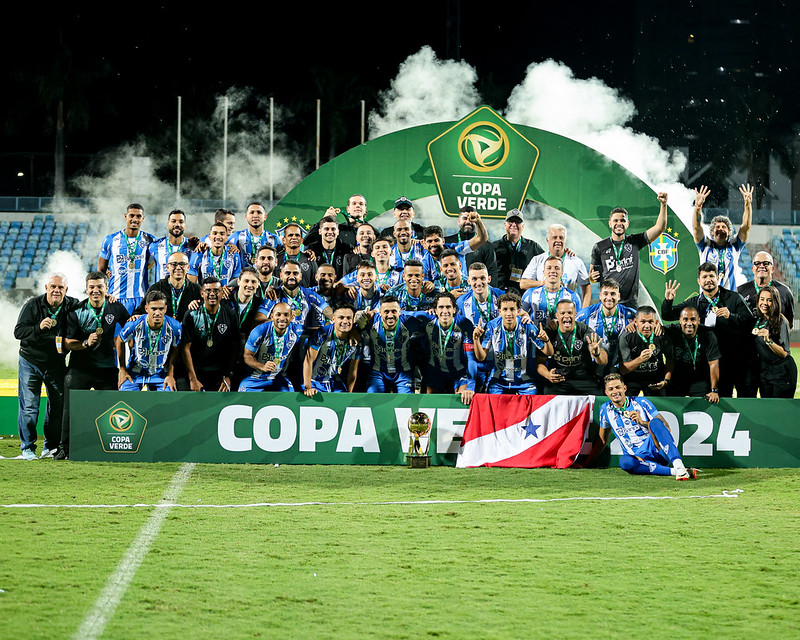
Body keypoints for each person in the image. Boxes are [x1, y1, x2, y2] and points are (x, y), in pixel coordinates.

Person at [57, 271, 129, 460]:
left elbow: (129, 326)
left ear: (107, 288)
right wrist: (85, 343)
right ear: (86, 288)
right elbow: (67, 343)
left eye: (100, 287)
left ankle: (110, 447)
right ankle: (65, 447)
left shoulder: (116, 307)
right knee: (70, 407)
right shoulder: (77, 311)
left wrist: (124, 362)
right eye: (92, 287)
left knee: (112, 409)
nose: (95, 290)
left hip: (107, 368)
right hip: (80, 367)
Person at [661, 262, 756, 397]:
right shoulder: (694, 302)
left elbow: (750, 322)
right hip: (709, 363)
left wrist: (731, 316)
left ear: (718, 278)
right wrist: (668, 301)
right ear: (699, 281)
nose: (708, 280)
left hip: (733, 360)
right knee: (717, 398)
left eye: (711, 276)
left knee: (740, 398)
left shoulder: (734, 298)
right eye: (704, 277)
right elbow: (668, 315)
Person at [13, 273, 79, 459]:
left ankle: (50, 447)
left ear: (66, 290)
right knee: (29, 407)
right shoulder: (32, 305)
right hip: (30, 362)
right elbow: (18, 332)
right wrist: (38, 327)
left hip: (56, 364)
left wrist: (106, 297)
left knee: (57, 406)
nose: (56, 290)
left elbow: (91, 306)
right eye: (53, 287)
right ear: (46, 288)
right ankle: (27, 448)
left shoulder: (72, 304)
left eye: (60, 287)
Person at [596, 374, 698, 480]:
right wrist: (592, 460)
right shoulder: (605, 410)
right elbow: (603, 439)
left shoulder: (641, 402)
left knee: (655, 422)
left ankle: (678, 465)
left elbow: (666, 427)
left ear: (624, 388)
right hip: (638, 458)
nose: (615, 391)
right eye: (611, 389)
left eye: (618, 387)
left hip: (657, 449)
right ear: (606, 392)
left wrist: (643, 422)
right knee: (624, 462)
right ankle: (677, 471)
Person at [589, 191, 668, 307]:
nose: (619, 223)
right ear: (610, 223)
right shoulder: (599, 247)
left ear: (627, 223)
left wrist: (664, 205)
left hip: (630, 305)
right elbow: (592, 276)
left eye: (623, 220)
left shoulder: (635, 241)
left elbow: (660, 228)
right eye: (615, 220)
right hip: (608, 304)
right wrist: (592, 278)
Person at [473, 293, 553, 395]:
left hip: (524, 381)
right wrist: (476, 340)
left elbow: (549, 353)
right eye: (505, 309)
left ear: (518, 311)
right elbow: (481, 357)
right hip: (498, 381)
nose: (509, 313)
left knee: (531, 402)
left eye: (512, 309)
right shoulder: (492, 326)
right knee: (492, 402)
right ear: (500, 311)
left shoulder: (527, 325)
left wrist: (546, 340)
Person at [416, 292, 477, 404]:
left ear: (454, 309)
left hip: (459, 373)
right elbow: (404, 313)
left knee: (464, 399)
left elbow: (471, 358)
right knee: (430, 404)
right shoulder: (427, 320)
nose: (445, 311)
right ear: (435, 310)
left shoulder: (464, 324)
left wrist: (470, 386)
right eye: (441, 307)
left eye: (448, 307)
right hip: (435, 372)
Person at [537, 299, 608, 395]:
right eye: (562, 313)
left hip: (584, 380)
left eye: (570, 313)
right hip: (559, 380)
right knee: (547, 394)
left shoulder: (584, 331)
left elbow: (604, 361)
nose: (566, 316)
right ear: (557, 316)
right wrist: (547, 374)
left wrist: (597, 354)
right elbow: (540, 363)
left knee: (598, 397)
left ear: (575, 314)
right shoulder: (549, 333)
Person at [181, 277, 240, 392]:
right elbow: (185, 348)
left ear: (222, 293)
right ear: (202, 294)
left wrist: (227, 375)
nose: (212, 294)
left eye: (216, 291)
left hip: (220, 373)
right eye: (208, 291)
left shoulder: (230, 314)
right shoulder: (191, 314)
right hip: (197, 371)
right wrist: (193, 378)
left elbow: (234, 347)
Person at [116, 290, 182, 391]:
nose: (157, 313)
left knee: (168, 396)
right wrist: (123, 369)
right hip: (135, 372)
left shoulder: (175, 327)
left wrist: (170, 374)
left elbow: (176, 347)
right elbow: (120, 340)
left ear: (165, 309)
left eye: (161, 309)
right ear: (146, 308)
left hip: (161, 374)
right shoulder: (134, 324)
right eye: (153, 309)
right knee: (125, 397)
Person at [98, 203, 157, 314]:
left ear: (143, 218)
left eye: (138, 216)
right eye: (131, 215)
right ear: (126, 216)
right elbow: (101, 270)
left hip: (141, 298)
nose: (135, 219)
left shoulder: (150, 240)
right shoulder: (110, 240)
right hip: (115, 297)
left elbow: (152, 261)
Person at [692, 184, 753, 290]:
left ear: (729, 232)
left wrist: (748, 205)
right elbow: (696, 227)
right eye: (717, 227)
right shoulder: (704, 245)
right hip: (707, 295)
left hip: (729, 296)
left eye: (724, 227)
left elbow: (746, 226)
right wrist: (697, 207)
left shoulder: (735, 245)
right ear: (712, 232)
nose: (721, 229)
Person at [520, 223, 591, 307]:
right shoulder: (537, 260)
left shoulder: (576, 261)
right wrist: (543, 283)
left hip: (567, 311)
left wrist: (584, 311)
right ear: (547, 240)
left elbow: (586, 287)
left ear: (565, 240)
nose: (558, 241)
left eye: (561, 238)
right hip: (542, 309)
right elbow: (523, 284)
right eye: (554, 237)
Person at [362, 296, 423, 393]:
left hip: (403, 372)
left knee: (407, 401)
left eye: (394, 311)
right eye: (386, 312)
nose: (390, 315)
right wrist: (354, 331)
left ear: (400, 312)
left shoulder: (410, 322)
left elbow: (427, 318)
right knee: (373, 399)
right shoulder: (371, 322)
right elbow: (354, 326)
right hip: (378, 372)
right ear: (380, 312)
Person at [239, 302, 304, 392]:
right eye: (278, 314)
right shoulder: (260, 331)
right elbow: (247, 356)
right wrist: (262, 366)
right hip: (255, 378)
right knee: (242, 395)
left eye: (286, 315)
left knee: (289, 397)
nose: (282, 318)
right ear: (272, 316)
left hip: (279, 378)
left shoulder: (297, 331)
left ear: (292, 317)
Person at [576, 278, 636, 374]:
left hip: (619, 369)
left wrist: (656, 326)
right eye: (605, 294)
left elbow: (648, 322)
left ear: (618, 296)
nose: (609, 297)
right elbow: (570, 328)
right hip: (592, 368)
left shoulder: (630, 315)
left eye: (613, 294)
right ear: (600, 296)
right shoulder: (586, 314)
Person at [662, 306, 721, 402]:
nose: (689, 323)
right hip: (678, 378)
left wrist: (714, 390)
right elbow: (654, 329)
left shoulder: (707, 334)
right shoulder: (672, 330)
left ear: (699, 321)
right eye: (685, 319)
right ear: (680, 320)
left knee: (705, 402)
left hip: (700, 379)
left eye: (693, 319)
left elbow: (713, 363)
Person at [302, 303, 362, 396]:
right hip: (314, 381)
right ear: (333, 319)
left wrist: (349, 394)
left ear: (353, 320)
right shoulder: (323, 333)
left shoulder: (356, 341)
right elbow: (308, 360)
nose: (345, 321)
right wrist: (308, 387)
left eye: (348, 318)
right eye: (341, 317)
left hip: (334, 383)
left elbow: (353, 371)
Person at [752, 285, 797, 398]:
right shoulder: (758, 319)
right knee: (767, 406)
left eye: (769, 300)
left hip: (782, 372)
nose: (765, 303)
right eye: (762, 299)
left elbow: (784, 353)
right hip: (765, 372)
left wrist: (769, 341)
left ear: (775, 302)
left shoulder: (781, 321)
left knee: (780, 407)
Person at [618, 306, 673, 397]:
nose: (647, 326)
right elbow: (623, 370)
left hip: (655, 380)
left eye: (650, 322)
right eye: (643, 322)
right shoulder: (627, 337)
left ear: (656, 323)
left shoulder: (662, 335)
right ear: (635, 322)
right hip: (632, 380)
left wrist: (666, 381)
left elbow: (670, 360)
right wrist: (640, 359)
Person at [134, 251, 202, 320]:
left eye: (182, 264)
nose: (178, 268)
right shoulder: (156, 288)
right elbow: (140, 311)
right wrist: (135, 316)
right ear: (167, 267)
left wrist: (199, 304)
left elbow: (205, 311)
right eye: (174, 264)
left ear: (188, 267)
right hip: (163, 326)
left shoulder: (196, 289)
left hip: (186, 327)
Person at [491, 209, 544, 294]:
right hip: (500, 294)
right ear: (505, 225)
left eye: (517, 222)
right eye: (510, 221)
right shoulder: (494, 247)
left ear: (523, 226)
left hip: (524, 294)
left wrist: (563, 253)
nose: (514, 224)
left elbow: (548, 260)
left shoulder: (532, 247)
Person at [444, 205, 499, 286]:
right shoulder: (448, 242)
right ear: (459, 221)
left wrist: (488, 292)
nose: (468, 222)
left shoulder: (486, 245)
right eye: (464, 218)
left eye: (472, 219)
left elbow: (492, 273)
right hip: (452, 289)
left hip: (477, 290)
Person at [737, 250, 794, 326]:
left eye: (766, 263)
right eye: (757, 263)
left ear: (772, 269)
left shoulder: (784, 291)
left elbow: (789, 323)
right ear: (752, 269)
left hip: (775, 333)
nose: (761, 266)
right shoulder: (741, 290)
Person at [522, 256, 583, 324]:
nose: (553, 271)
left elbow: (578, 322)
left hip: (562, 331)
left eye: (557, 268)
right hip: (536, 331)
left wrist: (561, 324)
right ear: (544, 272)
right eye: (549, 268)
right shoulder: (530, 293)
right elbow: (520, 314)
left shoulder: (573, 296)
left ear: (562, 273)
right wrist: (525, 316)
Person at [227, 201, 282, 267]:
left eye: (259, 212)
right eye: (252, 212)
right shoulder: (235, 237)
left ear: (265, 217)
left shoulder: (274, 239)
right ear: (246, 217)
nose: (255, 216)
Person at [188, 222, 242, 287]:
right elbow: (191, 283)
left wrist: (228, 289)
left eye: (222, 234)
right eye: (215, 233)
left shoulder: (233, 254)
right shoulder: (199, 253)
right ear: (209, 237)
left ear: (226, 238)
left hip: (226, 292)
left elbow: (236, 280)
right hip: (205, 292)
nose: (218, 237)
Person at [147, 209, 195, 281]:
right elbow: (144, 266)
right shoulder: (156, 246)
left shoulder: (192, 246)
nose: (177, 224)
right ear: (167, 225)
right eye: (173, 221)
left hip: (184, 288)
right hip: (162, 288)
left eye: (181, 222)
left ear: (185, 226)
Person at [277, 222, 317, 287]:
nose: (294, 237)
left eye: (297, 235)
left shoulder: (310, 259)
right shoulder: (276, 260)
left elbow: (316, 285)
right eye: (290, 235)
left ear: (301, 240)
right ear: (284, 240)